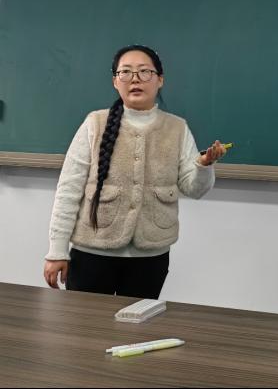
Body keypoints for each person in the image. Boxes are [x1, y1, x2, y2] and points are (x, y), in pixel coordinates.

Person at [43, 44, 226, 299]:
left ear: (160, 79)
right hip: (92, 255)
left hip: (150, 259)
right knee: (86, 324)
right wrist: (57, 251)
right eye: (126, 72)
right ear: (115, 81)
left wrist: (204, 166)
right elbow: (68, 190)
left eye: (145, 72)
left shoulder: (177, 128)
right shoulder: (94, 123)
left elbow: (194, 189)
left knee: (138, 324)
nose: (135, 79)